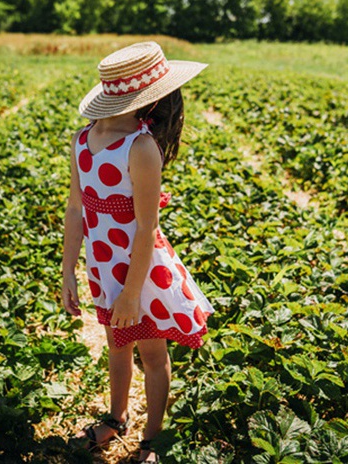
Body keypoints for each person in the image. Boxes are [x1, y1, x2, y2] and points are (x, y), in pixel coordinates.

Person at [61, 41, 214, 463]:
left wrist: (131, 293)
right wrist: (67, 270)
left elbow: (147, 228)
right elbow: (76, 207)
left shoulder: (141, 148)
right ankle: (117, 416)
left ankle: (151, 438)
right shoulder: (82, 140)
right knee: (115, 343)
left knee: (151, 352)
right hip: (105, 265)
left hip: (140, 270)